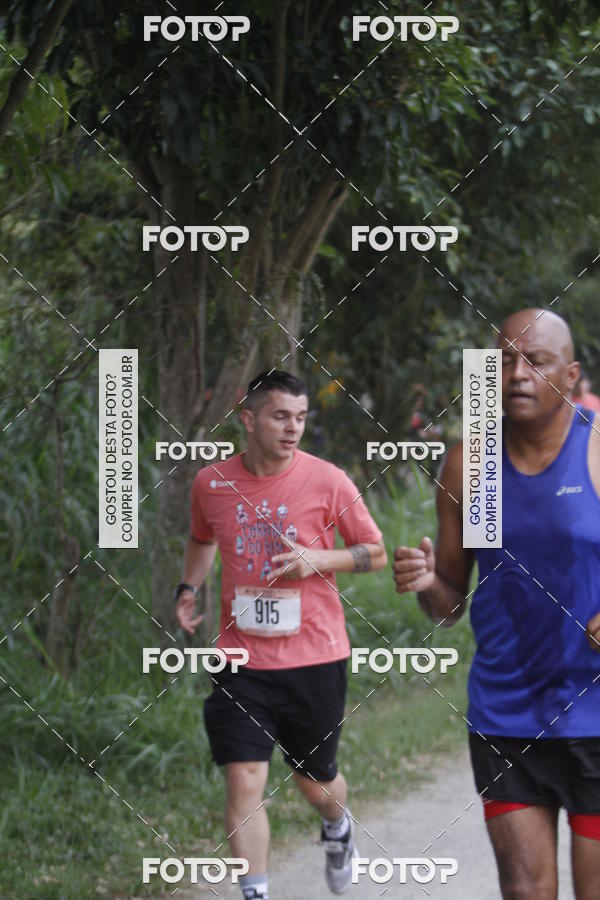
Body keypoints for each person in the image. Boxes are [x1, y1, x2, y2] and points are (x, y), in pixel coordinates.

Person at [393, 309, 600, 900]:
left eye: (536, 360)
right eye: (505, 359)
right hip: (507, 711)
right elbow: (450, 604)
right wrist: (429, 581)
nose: (516, 374)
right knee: (525, 890)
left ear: (572, 373)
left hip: (596, 712)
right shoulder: (470, 465)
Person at [175, 370, 387, 899]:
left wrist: (318, 559)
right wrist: (187, 588)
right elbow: (203, 538)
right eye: (279, 416)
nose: (292, 428)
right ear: (247, 418)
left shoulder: (329, 480)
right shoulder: (212, 483)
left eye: (300, 417)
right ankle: (256, 892)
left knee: (314, 784)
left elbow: (374, 553)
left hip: (314, 658)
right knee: (243, 778)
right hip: (239, 660)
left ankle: (337, 827)